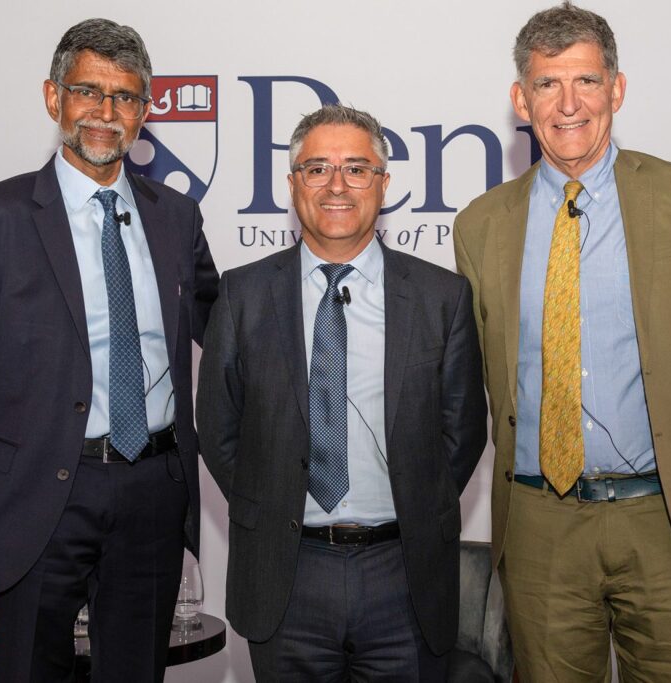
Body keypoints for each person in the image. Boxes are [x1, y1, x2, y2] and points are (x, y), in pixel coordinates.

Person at [0, 18, 218, 682]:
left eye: (125, 98)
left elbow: (223, 324)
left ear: (144, 112)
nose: (106, 114)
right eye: (88, 92)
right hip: (37, 499)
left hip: (153, 490)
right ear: (54, 98)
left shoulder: (177, 215)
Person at [453, 3, 671, 681]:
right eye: (548, 84)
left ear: (617, 88)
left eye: (585, 81)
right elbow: (478, 376)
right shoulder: (481, 226)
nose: (568, 103)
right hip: (541, 526)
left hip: (667, 523)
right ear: (521, 99)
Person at [197, 104, 487, 681]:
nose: (336, 186)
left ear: (383, 184)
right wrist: (274, 504)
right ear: (291, 184)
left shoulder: (442, 297)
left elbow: (464, 432)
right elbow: (220, 430)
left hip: (403, 573)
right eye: (316, 169)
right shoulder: (242, 295)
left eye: (356, 169)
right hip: (287, 573)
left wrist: (410, 507)